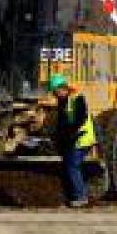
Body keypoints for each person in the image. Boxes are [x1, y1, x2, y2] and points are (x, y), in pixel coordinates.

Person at [49, 72, 95, 207]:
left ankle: (81, 197)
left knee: (72, 166)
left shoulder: (77, 98)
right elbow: (62, 123)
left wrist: (71, 133)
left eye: (55, 92)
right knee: (67, 165)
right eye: (53, 93)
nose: (55, 95)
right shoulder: (62, 101)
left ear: (62, 88)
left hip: (82, 137)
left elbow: (80, 119)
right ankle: (73, 196)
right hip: (73, 138)